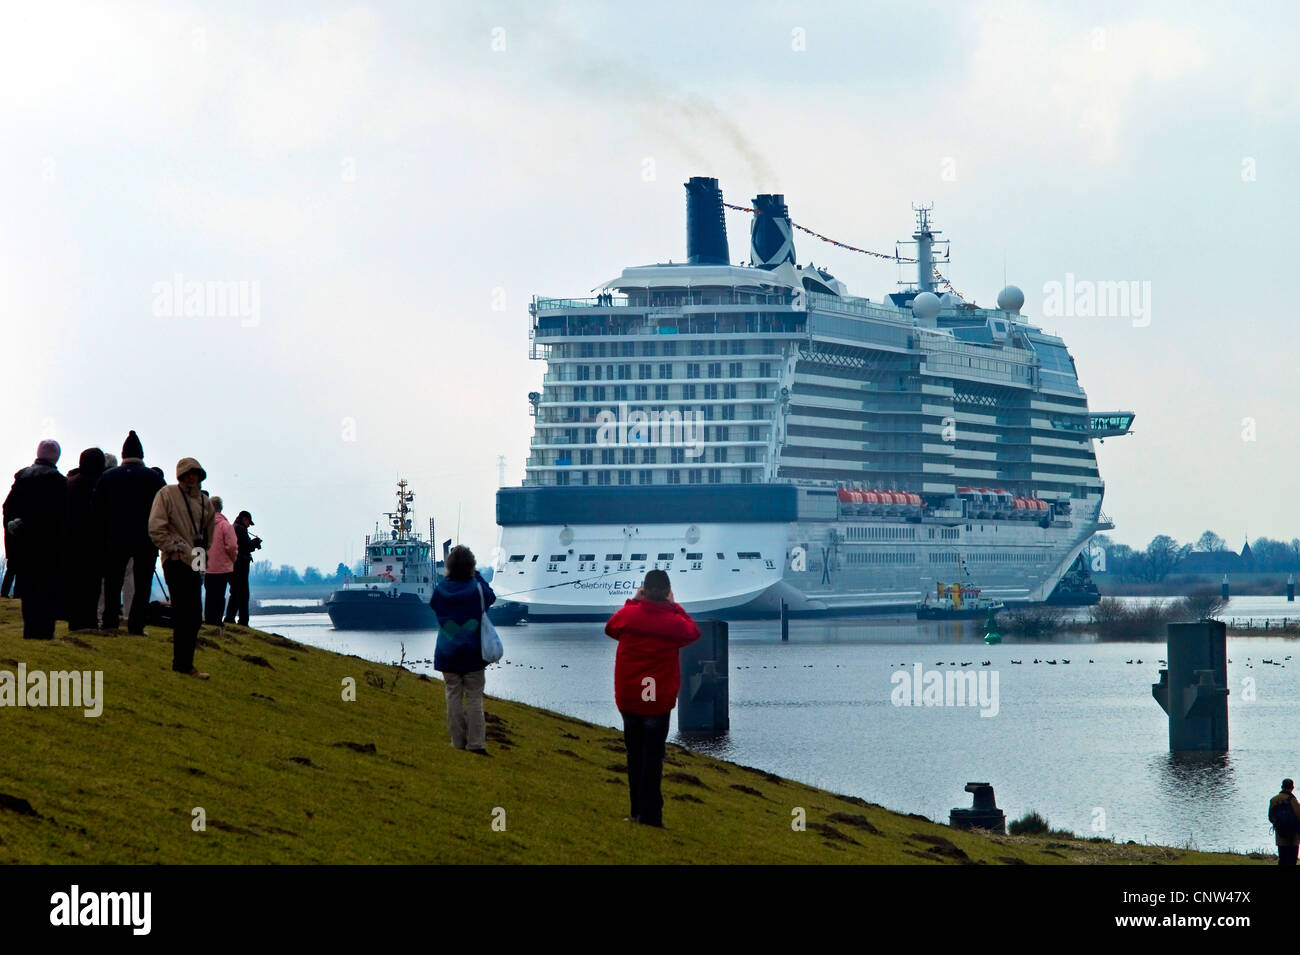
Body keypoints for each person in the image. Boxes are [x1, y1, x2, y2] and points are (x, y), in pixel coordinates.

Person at [604, 569, 700, 827]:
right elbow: (693, 632)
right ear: (667, 592)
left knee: (634, 754)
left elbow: (611, 628)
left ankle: (636, 811)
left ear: (643, 589)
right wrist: (674, 606)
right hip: (657, 698)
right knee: (653, 755)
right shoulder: (673, 622)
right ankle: (651, 816)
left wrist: (634, 602)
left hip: (630, 695)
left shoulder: (629, 615)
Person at [94, 431, 166, 635]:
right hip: (146, 539)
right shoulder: (154, 479)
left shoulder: (108, 477)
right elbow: (164, 511)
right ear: (141, 455)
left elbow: (97, 508)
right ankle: (136, 625)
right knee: (141, 585)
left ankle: (109, 622)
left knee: (112, 582)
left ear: (123, 454)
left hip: (115, 538)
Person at [148, 458, 214, 679]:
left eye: (195, 473)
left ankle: (187, 663)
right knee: (183, 611)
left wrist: (202, 562)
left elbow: (208, 536)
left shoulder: (206, 503)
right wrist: (171, 547)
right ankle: (182, 664)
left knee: (194, 615)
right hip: (175, 559)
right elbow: (156, 527)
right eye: (187, 474)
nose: (191, 477)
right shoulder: (167, 494)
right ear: (180, 476)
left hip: (196, 559)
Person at [430, 545, 496, 754]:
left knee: (453, 696)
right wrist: (477, 576)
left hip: (447, 650)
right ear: (471, 566)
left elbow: (434, 605)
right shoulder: (476, 588)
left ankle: (457, 742)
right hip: (473, 651)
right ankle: (476, 744)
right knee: (475, 697)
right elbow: (490, 597)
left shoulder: (440, 589)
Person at [2, 440, 68, 639]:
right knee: (46, 592)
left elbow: (7, 509)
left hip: (23, 546)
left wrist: (14, 528)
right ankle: (45, 632)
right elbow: (61, 516)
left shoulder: (22, 477)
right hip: (48, 547)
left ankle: (30, 630)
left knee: (28, 592)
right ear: (56, 457)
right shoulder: (58, 481)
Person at [62, 447, 108, 631]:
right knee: (92, 583)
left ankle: (74, 620)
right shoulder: (102, 484)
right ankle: (89, 620)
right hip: (96, 541)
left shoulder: (69, 483)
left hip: (71, 540)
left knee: (74, 582)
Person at [204, 496, 238, 625]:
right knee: (219, 595)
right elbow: (232, 546)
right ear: (221, 508)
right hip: (222, 567)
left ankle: (208, 618)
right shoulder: (225, 525)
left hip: (207, 566)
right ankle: (217, 620)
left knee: (209, 595)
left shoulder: (204, 525)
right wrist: (233, 558)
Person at [223, 510, 256, 626]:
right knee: (243, 593)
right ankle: (242, 621)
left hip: (234, 565)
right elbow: (245, 546)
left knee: (236, 592)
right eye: (248, 522)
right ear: (244, 519)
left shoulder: (234, 528)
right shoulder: (240, 529)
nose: (248, 525)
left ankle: (230, 618)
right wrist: (255, 543)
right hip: (240, 566)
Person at [1271, 779, 1300, 865]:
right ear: (1292, 787)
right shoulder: (1292, 800)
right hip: (1293, 836)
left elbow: (1271, 817)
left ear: (1282, 787)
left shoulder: (1273, 800)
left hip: (1280, 836)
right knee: (1292, 860)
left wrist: (1278, 824)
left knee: (1282, 858)